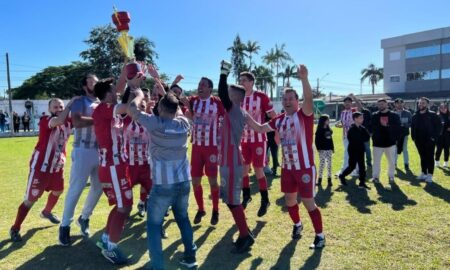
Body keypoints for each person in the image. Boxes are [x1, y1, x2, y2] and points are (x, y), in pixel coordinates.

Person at [247, 65, 325, 249]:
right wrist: (245, 116)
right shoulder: (279, 119)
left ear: (297, 101)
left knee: (308, 202)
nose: (287, 101)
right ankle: (297, 225)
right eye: (284, 98)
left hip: (305, 167)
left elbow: (310, 99)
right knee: (290, 201)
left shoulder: (304, 115)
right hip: (287, 169)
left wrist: (304, 78)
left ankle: (320, 236)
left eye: (291, 98)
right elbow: (259, 128)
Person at [128, 75, 197, 269]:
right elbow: (180, 108)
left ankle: (157, 265)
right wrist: (161, 86)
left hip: (163, 184)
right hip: (184, 182)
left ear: (160, 108)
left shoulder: (154, 123)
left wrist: (139, 94)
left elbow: (132, 110)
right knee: (183, 219)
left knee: (153, 225)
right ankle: (190, 256)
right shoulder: (184, 123)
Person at [9, 97, 75, 242]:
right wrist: (70, 105)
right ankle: (15, 228)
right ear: (50, 109)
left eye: (61, 106)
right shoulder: (46, 119)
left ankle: (46, 212)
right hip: (41, 167)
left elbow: (82, 120)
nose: (59, 109)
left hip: (57, 166)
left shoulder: (68, 121)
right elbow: (57, 121)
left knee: (58, 190)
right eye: (55, 107)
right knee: (30, 200)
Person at [59, 74, 104, 246]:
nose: (96, 83)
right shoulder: (80, 100)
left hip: (100, 151)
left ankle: (84, 218)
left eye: (97, 80)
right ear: (85, 85)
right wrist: (100, 120)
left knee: (99, 187)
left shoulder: (102, 102)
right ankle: (65, 226)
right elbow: (77, 121)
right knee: (76, 189)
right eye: (93, 80)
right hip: (83, 149)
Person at [92, 76, 131, 264]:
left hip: (117, 165)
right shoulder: (103, 109)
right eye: (113, 91)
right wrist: (136, 93)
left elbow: (121, 86)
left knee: (121, 205)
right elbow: (125, 107)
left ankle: (106, 239)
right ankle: (111, 248)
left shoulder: (107, 109)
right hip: (112, 166)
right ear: (107, 95)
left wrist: (127, 68)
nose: (117, 93)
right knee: (124, 207)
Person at [217, 61, 255, 253]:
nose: (225, 96)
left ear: (235, 97)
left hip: (232, 162)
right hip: (228, 161)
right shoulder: (235, 111)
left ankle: (245, 236)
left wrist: (223, 73)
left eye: (229, 94)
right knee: (232, 200)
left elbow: (221, 93)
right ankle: (245, 230)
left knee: (233, 201)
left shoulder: (234, 109)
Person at [184, 77, 224, 226]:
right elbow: (176, 97)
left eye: (203, 85)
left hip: (212, 148)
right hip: (196, 148)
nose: (199, 86)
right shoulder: (193, 100)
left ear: (209, 88)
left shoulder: (217, 102)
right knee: (195, 181)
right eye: (199, 84)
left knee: (213, 181)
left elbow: (226, 118)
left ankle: (215, 210)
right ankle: (201, 209)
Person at [239, 71, 276, 216]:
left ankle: (265, 200)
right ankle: (246, 196)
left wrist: (275, 131)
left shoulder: (261, 96)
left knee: (258, 170)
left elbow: (274, 116)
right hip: (244, 140)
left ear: (251, 82)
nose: (241, 83)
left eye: (244, 80)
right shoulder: (239, 98)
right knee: (244, 169)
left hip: (259, 140)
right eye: (240, 80)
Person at [411, 97, 442, 183]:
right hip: (418, 140)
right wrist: (413, 138)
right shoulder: (415, 115)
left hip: (430, 140)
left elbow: (439, 127)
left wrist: (433, 138)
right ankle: (424, 173)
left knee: (429, 157)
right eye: (420, 103)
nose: (421, 104)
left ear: (427, 104)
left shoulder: (433, 115)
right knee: (422, 157)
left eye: (423, 103)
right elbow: (413, 127)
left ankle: (430, 175)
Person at [371, 98, 401, 184]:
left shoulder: (394, 115)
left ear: (387, 104)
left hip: (390, 143)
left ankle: (391, 176)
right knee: (376, 162)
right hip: (377, 143)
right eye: (379, 104)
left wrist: (387, 125)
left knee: (392, 161)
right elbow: (372, 127)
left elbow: (398, 128)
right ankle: (375, 177)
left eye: (383, 104)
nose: (381, 106)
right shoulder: (374, 115)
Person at [338, 112, 370, 189]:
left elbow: (367, 137)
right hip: (353, 150)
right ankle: (342, 176)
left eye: (362, 118)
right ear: (355, 119)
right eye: (360, 118)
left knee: (362, 166)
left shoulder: (363, 128)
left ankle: (362, 182)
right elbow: (354, 139)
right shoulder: (351, 129)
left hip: (361, 150)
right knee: (352, 166)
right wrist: (361, 138)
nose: (362, 119)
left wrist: (361, 138)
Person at [335, 94, 361, 175]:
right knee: (347, 153)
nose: (347, 104)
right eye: (346, 102)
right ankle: (347, 169)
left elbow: (360, 107)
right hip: (345, 136)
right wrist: (340, 125)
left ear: (351, 103)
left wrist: (354, 98)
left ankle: (353, 170)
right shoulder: (342, 112)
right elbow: (343, 124)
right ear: (343, 104)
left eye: (349, 102)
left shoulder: (354, 110)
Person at [315, 114, 334, 186]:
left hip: (329, 149)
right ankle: (319, 179)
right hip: (322, 150)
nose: (329, 121)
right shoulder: (319, 129)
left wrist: (332, 148)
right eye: (327, 120)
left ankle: (329, 180)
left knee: (329, 164)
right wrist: (319, 148)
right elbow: (317, 140)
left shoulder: (328, 129)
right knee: (322, 164)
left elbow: (330, 140)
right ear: (323, 121)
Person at [394, 98, 412, 170]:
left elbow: (411, 123)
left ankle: (406, 163)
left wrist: (405, 125)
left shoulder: (408, 113)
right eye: (397, 103)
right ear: (395, 104)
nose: (399, 104)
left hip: (404, 134)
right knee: (395, 149)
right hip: (395, 135)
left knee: (404, 149)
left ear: (403, 103)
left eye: (401, 103)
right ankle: (394, 163)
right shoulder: (392, 113)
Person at [435, 103, 450, 168]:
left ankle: (446, 162)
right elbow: (434, 125)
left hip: (448, 135)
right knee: (439, 149)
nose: (443, 109)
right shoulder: (437, 116)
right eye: (441, 108)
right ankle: (437, 161)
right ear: (439, 109)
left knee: (447, 149)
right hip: (439, 135)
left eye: (444, 108)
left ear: (447, 108)